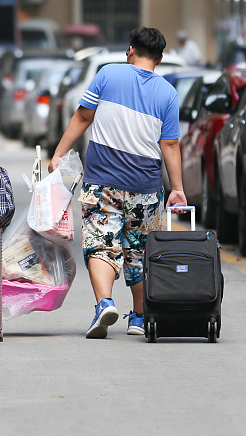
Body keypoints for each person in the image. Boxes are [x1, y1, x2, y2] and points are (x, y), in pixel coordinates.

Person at [50, 27, 188, 339]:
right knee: (139, 250)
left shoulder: (108, 75)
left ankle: (105, 304)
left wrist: (59, 154)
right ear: (161, 58)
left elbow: (83, 117)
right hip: (146, 186)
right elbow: (170, 145)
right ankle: (138, 317)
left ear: (130, 50)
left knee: (100, 243)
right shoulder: (168, 93)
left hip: (103, 182)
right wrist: (177, 188)